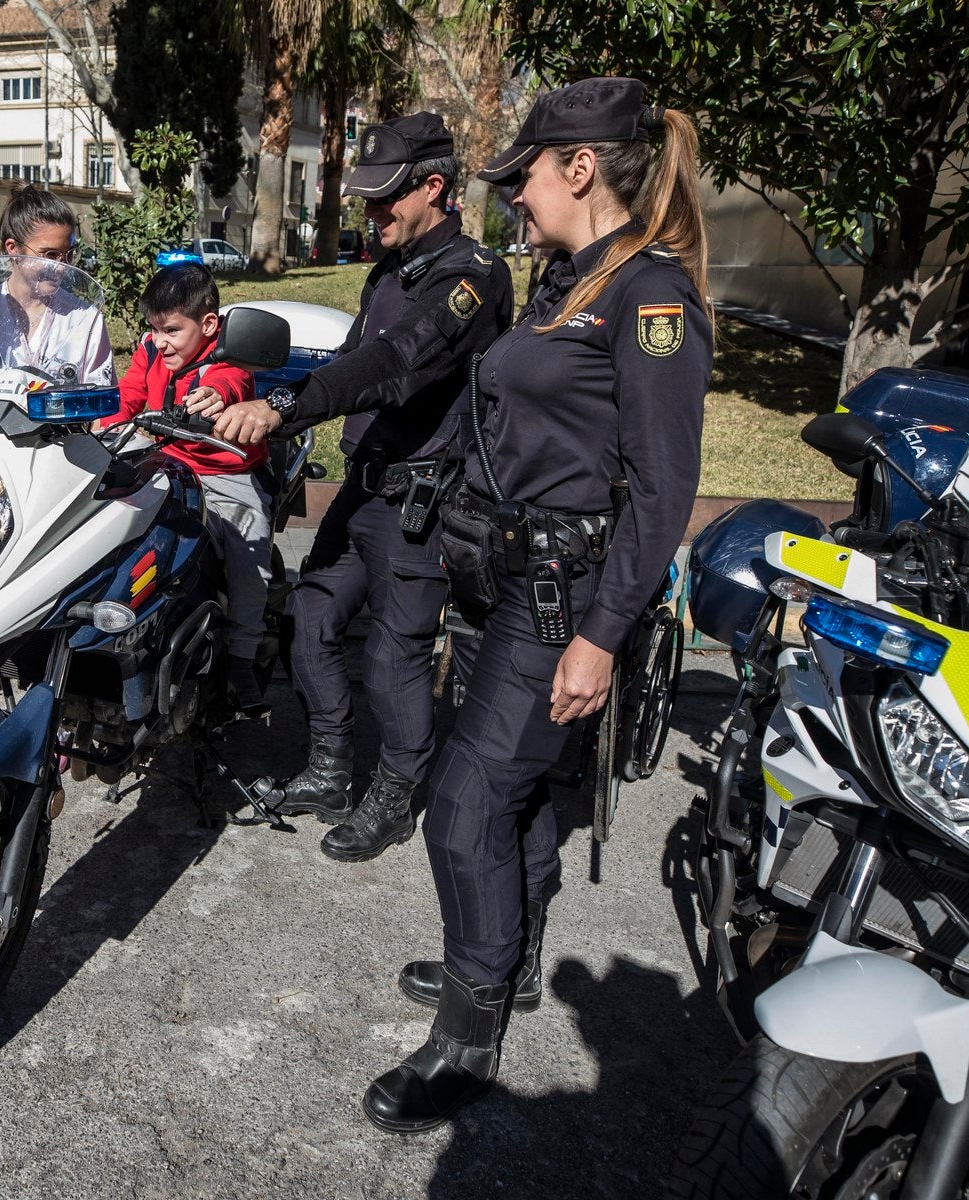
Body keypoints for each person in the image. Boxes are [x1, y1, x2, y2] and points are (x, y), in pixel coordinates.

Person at [361, 77, 713, 1132]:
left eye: (525, 176)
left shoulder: (649, 296)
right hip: (501, 575)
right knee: (503, 797)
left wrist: (603, 634)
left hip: (565, 596)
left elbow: (664, 490)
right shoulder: (570, 277)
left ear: (581, 167)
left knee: (464, 803)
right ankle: (502, 965)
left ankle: (469, 1037)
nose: (514, 195)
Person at [207, 112, 512, 863]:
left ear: (434, 187)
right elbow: (346, 362)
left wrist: (281, 407)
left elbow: (395, 364)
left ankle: (396, 793)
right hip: (365, 489)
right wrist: (257, 394)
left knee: (393, 654)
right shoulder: (389, 269)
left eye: (385, 200)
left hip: (426, 504)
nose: (371, 214)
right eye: (367, 201)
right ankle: (331, 770)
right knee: (310, 619)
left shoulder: (471, 279)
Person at [99, 263, 273, 713]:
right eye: (155, 329)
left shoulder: (228, 356)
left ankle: (242, 658)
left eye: (173, 330)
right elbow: (129, 395)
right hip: (163, 467)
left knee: (247, 555)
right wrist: (100, 420)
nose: (161, 341)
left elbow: (228, 382)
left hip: (224, 474)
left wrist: (216, 397)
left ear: (209, 324)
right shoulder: (151, 350)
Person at [0, 183, 110, 386]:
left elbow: (100, 405)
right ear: (13, 248)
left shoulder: (85, 319)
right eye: (50, 255)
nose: (62, 267)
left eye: (69, 254)